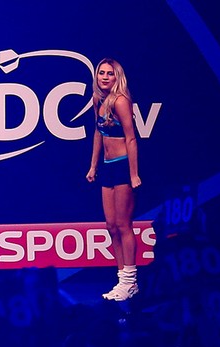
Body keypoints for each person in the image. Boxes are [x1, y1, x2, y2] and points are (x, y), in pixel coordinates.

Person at [86, 58, 142, 301]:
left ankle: (131, 281)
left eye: (110, 73)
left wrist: (133, 174)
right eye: (101, 73)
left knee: (123, 224)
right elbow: (98, 133)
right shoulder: (98, 100)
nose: (105, 77)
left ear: (117, 77)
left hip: (122, 167)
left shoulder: (121, 101)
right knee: (110, 225)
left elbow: (131, 138)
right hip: (107, 167)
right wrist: (93, 166)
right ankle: (122, 280)